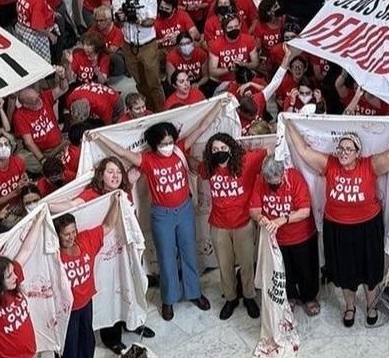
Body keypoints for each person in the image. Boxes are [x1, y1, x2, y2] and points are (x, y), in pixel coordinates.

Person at [87, 121, 212, 319]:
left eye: (170, 141)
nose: (168, 146)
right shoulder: (147, 160)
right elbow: (121, 152)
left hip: (185, 210)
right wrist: (100, 137)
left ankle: (194, 292)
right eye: (163, 143)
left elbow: (199, 128)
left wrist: (219, 104)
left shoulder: (179, 151)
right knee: (166, 256)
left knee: (189, 251)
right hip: (162, 215)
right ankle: (169, 299)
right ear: (154, 145)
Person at [283, 122, 389, 328]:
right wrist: (287, 123)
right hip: (338, 229)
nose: (344, 152)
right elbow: (303, 150)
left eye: (349, 149)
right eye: (341, 148)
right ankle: (350, 306)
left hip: (367, 228)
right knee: (345, 270)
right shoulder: (329, 164)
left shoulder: (368, 165)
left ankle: (371, 305)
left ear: (358, 153)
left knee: (370, 270)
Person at [188, 133, 264, 320]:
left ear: (231, 148)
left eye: (223, 148)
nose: (219, 152)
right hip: (219, 226)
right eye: (215, 149)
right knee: (225, 265)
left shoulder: (247, 160)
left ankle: (249, 296)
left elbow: (270, 149)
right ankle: (230, 298)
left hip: (243, 223)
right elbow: (192, 165)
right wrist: (181, 151)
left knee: (246, 264)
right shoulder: (209, 167)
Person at [249, 155, 319, 315]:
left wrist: (282, 220)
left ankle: (309, 298)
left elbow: (304, 211)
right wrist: (260, 218)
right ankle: (291, 296)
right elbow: (253, 209)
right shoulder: (260, 180)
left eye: (277, 183)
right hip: (276, 238)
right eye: (270, 184)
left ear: (283, 174)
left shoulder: (294, 178)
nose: (274, 186)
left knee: (306, 270)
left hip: (301, 235)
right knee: (284, 270)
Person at [56, 195, 120, 358]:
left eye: (73, 231)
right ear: (58, 235)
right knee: (70, 349)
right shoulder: (54, 255)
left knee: (87, 341)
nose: (71, 237)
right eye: (66, 234)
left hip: (86, 303)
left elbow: (108, 225)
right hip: (67, 310)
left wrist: (116, 202)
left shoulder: (85, 240)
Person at [112, 0, 165, 111]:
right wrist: (121, 17)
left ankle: (162, 111)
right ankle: (146, 110)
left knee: (154, 82)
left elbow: (151, 21)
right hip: (129, 45)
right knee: (140, 82)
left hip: (148, 44)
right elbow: (117, 22)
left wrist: (138, 19)